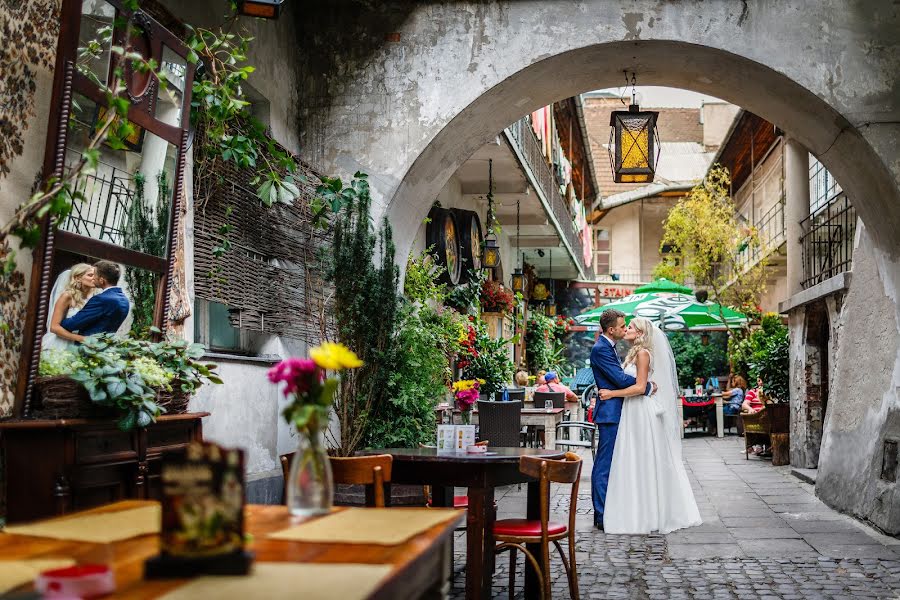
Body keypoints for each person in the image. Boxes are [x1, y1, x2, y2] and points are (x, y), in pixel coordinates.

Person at [598, 317, 702, 534]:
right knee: (631, 458)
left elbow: (640, 387)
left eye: (631, 327)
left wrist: (612, 393)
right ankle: (634, 509)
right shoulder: (633, 353)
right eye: (625, 326)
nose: (627, 329)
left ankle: (649, 512)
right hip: (631, 410)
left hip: (640, 409)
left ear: (641, 333)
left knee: (642, 458)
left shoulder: (643, 354)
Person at [589, 309, 655, 531]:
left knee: (617, 463)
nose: (625, 328)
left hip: (620, 410)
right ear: (611, 329)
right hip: (610, 413)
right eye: (622, 325)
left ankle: (614, 508)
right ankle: (601, 514)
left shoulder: (611, 347)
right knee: (604, 464)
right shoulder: (601, 349)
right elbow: (618, 378)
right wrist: (645, 386)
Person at [59, 260, 131, 339]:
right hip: (106, 346)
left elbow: (72, 324)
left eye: (95, 275)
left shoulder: (101, 299)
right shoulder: (125, 300)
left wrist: (60, 323)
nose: (93, 279)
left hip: (88, 347)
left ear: (101, 280)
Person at [41, 263, 97, 350]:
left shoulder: (95, 298)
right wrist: (81, 339)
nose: (94, 278)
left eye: (95, 276)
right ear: (78, 278)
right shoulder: (67, 296)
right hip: (60, 344)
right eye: (90, 275)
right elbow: (54, 327)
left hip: (80, 346)